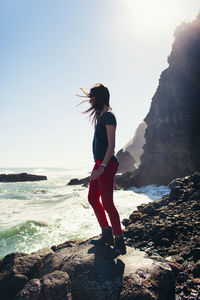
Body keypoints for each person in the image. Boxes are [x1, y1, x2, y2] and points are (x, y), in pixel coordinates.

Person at [79, 83, 126, 258]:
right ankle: (106, 235)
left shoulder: (108, 116)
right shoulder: (100, 116)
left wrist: (103, 167)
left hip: (107, 164)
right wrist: (98, 166)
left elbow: (112, 146)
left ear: (100, 97)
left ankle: (119, 242)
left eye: (92, 97)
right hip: (99, 163)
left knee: (107, 203)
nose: (90, 100)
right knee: (92, 198)